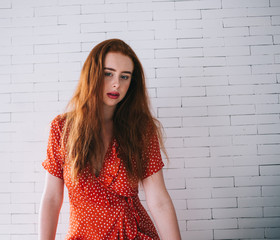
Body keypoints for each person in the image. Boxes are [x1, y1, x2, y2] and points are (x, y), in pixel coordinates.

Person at [39, 39, 181, 240]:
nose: (116, 83)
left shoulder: (141, 129)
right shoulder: (62, 128)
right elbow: (52, 199)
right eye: (108, 73)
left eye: (125, 76)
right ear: (92, 74)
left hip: (133, 234)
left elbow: (159, 200)